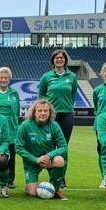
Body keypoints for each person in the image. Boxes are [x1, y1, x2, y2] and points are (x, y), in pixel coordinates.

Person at [38, 49, 77, 187]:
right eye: (56, 58)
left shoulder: (71, 77)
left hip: (67, 114)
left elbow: (73, 95)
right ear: (53, 60)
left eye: (62, 58)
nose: (59, 60)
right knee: (49, 145)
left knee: (63, 147)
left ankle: (61, 177)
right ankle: (53, 176)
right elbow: (42, 96)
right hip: (51, 116)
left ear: (65, 60)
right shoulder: (46, 77)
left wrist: (66, 106)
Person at [16, 99, 68, 200]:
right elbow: (18, 147)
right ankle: (41, 186)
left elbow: (63, 147)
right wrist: (35, 159)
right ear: (34, 112)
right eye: (39, 111)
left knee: (59, 160)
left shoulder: (54, 126)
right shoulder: (25, 125)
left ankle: (55, 189)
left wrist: (48, 156)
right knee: (31, 193)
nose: (43, 113)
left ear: (50, 112)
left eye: (45, 111)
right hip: (32, 162)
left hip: (48, 160)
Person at [0, 67, 20, 189]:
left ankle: (10, 179)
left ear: (9, 79)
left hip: (11, 129)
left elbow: (17, 111)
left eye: (5, 78)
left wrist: (15, 124)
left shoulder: (14, 93)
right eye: (1, 77)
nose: (3, 80)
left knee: (11, 155)